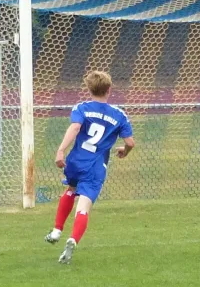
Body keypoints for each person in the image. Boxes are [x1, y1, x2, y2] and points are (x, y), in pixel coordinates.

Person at [44, 71, 135, 264]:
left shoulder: (81, 108)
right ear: (109, 90)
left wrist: (60, 150)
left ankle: (57, 230)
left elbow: (75, 128)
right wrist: (125, 151)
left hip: (75, 161)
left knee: (71, 189)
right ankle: (72, 240)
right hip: (95, 167)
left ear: (89, 89)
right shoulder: (119, 115)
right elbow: (130, 142)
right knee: (84, 206)